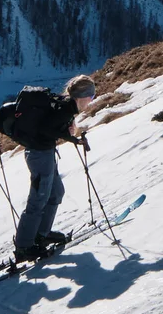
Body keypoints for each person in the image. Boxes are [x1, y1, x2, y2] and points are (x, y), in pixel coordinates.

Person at [10, 75, 98, 261]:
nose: (92, 100)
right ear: (82, 96)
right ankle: (24, 246)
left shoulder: (67, 107)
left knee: (56, 192)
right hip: (39, 155)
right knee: (39, 198)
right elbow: (45, 129)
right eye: (92, 96)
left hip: (44, 153)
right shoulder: (66, 109)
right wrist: (72, 138)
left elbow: (50, 127)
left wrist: (67, 132)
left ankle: (42, 234)